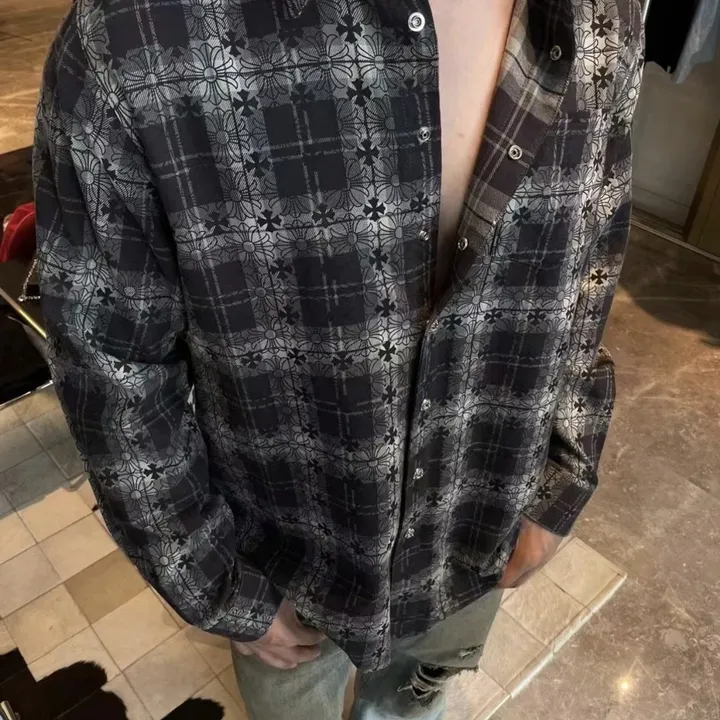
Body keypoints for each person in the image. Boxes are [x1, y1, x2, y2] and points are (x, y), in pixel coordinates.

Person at [33, 0, 643, 716]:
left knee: (417, 702)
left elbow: (593, 256)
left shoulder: (602, 11)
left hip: (476, 524)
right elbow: (111, 360)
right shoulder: (135, 33)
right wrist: (210, 578)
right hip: (283, 556)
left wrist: (562, 477)